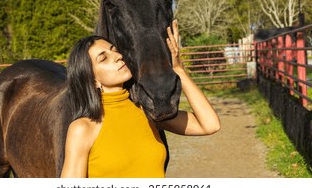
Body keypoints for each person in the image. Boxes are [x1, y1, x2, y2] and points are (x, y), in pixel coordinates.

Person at [60, 20, 221, 178]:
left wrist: (178, 69)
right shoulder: (82, 129)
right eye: (103, 58)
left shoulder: (147, 110)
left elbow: (209, 125)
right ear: (91, 79)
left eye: (114, 50)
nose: (117, 56)